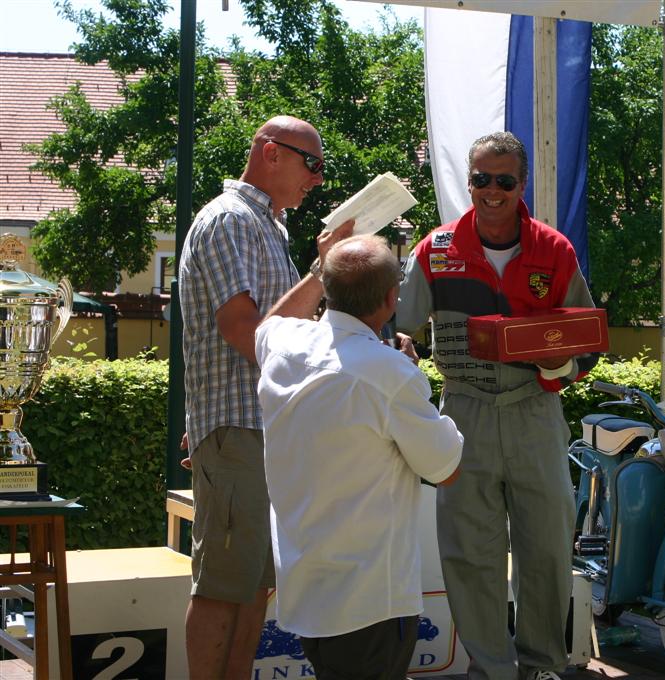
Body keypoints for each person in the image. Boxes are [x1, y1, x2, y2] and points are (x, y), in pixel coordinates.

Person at [396, 131, 598, 680]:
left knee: (549, 549)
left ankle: (543, 666)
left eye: (503, 181)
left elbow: (587, 340)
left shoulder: (553, 250)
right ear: (468, 182)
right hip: (463, 412)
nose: (491, 191)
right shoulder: (435, 250)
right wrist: (400, 346)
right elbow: (395, 326)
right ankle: (491, 670)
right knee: (469, 554)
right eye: (481, 179)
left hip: (535, 410)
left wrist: (564, 367)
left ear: (521, 184)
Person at [178, 115, 351, 680]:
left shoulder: (265, 227)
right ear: (271, 153)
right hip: (239, 429)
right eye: (313, 164)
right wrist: (323, 271)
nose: (318, 180)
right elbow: (251, 337)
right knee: (227, 587)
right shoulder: (230, 220)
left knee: (254, 587)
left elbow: (280, 335)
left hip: (258, 430)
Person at [255, 235, 463, 679]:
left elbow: (268, 324)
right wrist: (409, 373)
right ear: (391, 300)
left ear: (326, 289)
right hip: (370, 599)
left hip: (309, 588)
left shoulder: (285, 344)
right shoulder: (389, 374)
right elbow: (446, 467)